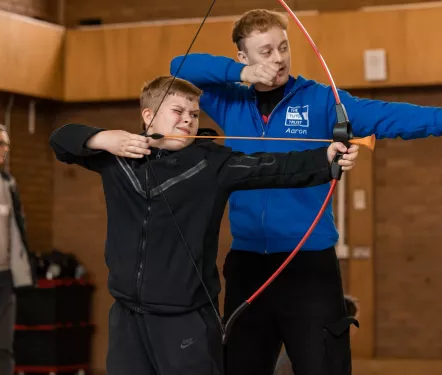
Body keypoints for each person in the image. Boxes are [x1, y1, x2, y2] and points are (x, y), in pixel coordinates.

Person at [169, 8, 442, 375]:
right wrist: (241, 75)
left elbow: (385, 115)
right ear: (243, 56)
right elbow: (180, 65)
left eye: (283, 48)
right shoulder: (230, 100)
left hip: (309, 264)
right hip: (248, 266)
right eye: (266, 51)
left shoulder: (320, 100)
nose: (278, 59)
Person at [48, 75, 358, 375]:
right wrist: (103, 138)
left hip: (186, 319)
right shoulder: (119, 157)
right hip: (127, 318)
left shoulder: (212, 163)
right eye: (178, 111)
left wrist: (326, 158)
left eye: (194, 114)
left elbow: (272, 167)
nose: (188, 119)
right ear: (148, 115)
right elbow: (61, 139)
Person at [0, 124, 35, 375]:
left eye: (7, 144)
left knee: (4, 346)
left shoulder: (8, 184)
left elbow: (16, 231)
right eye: (0, 143)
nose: (5, 149)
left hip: (4, 277)